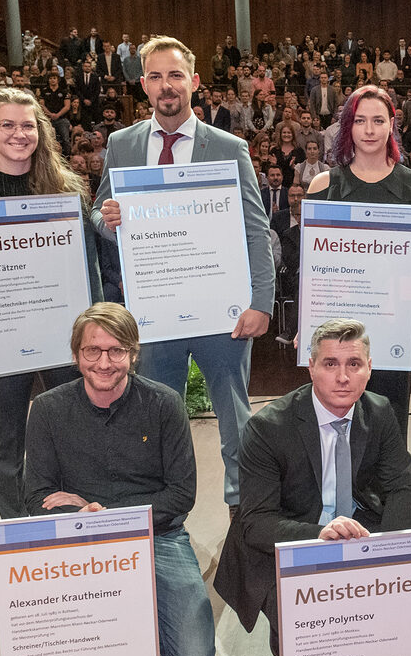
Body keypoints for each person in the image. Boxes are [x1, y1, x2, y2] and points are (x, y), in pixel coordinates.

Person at [93, 36, 275, 518]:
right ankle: (163, 514)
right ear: (143, 85)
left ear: (193, 82)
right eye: (155, 76)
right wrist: (107, 221)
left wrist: (263, 300)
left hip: (223, 307)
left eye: (175, 75)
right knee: (156, 418)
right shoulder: (122, 144)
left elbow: (255, 227)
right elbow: (96, 213)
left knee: (235, 418)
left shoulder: (229, 147)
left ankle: (244, 511)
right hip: (155, 308)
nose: (165, 85)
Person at [214, 318, 411, 653]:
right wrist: (320, 535)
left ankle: (369, 599)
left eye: (354, 364)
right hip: (296, 534)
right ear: (310, 367)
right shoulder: (267, 428)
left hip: (357, 529)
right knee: (309, 651)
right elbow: (256, 523)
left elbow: (406, 485)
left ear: (369, 368)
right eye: (330, 364)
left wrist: (378, 554)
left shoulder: (378, 410)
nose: (342, 377)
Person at [23, 303, 215, 656]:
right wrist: (81, 518)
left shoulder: (164, 404)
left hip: (158, 536)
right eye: (92, 350)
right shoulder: (47, 409)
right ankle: (126, 632)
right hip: (79, 543)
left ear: (133, 353)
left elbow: (181, 494)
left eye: (116, 351)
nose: (104, 362)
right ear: (77, 355)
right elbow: (37, 497)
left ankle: (133, 630)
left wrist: (105, 512)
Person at [0, 88, 102, 519]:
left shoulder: (66, 189)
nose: (18, 133)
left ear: (40, 132)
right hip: (0, 330)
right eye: (7, 124)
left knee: (74, 432)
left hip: (62, 330)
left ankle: (75, 520)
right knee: (6, 435)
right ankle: (17, 526)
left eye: (27, 125)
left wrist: (97, 327)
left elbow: (87, 263)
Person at [305, 85, 411, 439]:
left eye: (378, 121)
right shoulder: (324, 185)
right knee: (332, 430)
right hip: (335, 331)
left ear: (391, 125)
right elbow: (311, 264)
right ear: (348, 127)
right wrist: (302, 327)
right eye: (360, 121)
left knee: (390, 429)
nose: (369, 130)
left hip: (393, 323)